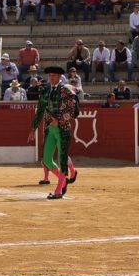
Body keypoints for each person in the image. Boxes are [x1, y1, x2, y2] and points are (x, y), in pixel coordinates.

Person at [28, 66, 80, 199]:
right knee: (46, 159)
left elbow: (74, 109)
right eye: (49, 75)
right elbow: (40, 110)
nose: (51, 78)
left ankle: (59, 189)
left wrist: (60, 120)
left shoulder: (66, 90)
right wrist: (33, 129)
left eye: (53, 76)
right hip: (51, 129)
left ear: (59, 77)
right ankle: (64, 179)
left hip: (63, 128)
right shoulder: (46, 91)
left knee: (62, 158)